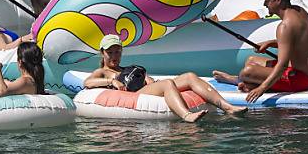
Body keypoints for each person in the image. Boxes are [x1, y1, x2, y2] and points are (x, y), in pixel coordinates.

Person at [84, 34, 247, 122]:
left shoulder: (127, 68)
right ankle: (186, 115)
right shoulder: (103, 72)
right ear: (102, 53)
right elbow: (88, 82)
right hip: (133, 95)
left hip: (145, 89)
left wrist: (149, 79)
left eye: (117, 51)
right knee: (168, 83)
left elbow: (146, 79)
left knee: (189, 76)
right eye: (110, 52)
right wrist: (111, 81)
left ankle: (227, 107)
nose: (114, 55)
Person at [212, 0, 308, 103]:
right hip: (301, 73)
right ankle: (244, 82)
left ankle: (242, 81)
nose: (264, 4)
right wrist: (270, 43)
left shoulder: (285, 26)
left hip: (301, 81)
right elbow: (296, 41)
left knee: (248, 71)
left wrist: (262, 89)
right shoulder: (300, 11)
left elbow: (282, 66)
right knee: (251, 60)